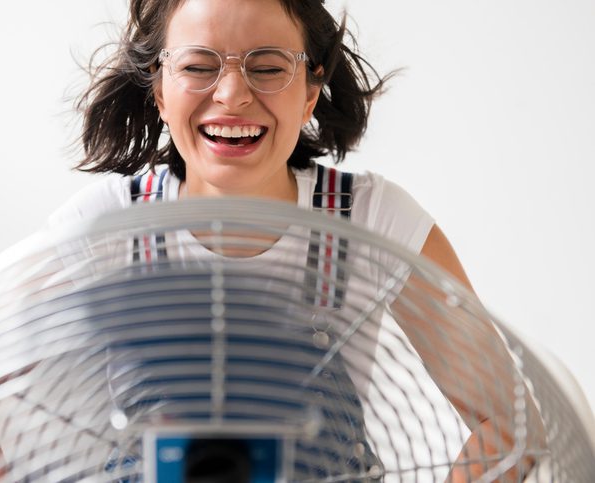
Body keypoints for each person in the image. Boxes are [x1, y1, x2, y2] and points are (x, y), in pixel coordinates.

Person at [44, 0, 548, 481]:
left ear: (310, 92)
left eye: (267, 68)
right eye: (199, 66)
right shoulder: (106, 226)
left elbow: (510, 427)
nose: (232, 94)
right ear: (159, 89)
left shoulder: (371, 220)